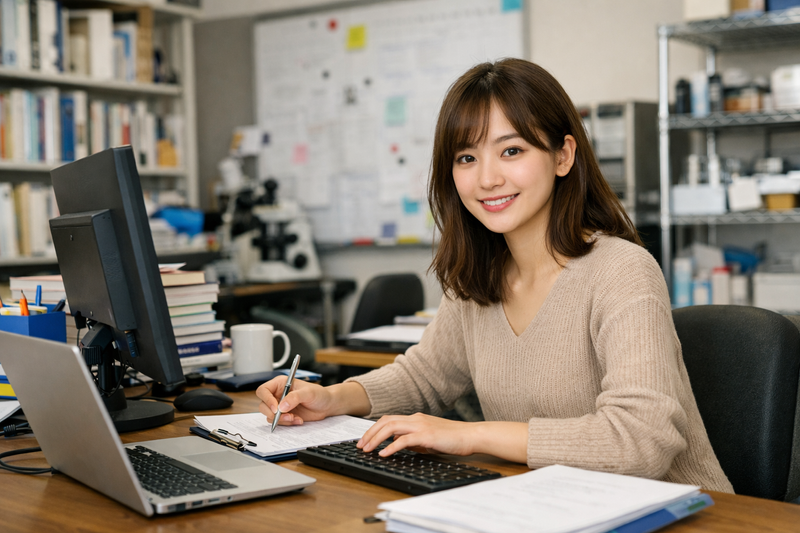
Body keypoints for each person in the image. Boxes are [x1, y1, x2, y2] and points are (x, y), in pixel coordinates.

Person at [256, 58, 734, 492]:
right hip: (553, 505)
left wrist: (467, 436)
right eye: (466, 157)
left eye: (511, 151)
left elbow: (640, 440)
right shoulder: (478, 278)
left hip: (676, 513)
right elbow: (426, 377)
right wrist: (332, 398)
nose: (487, 178)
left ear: (563, 156)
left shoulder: (621, 271)